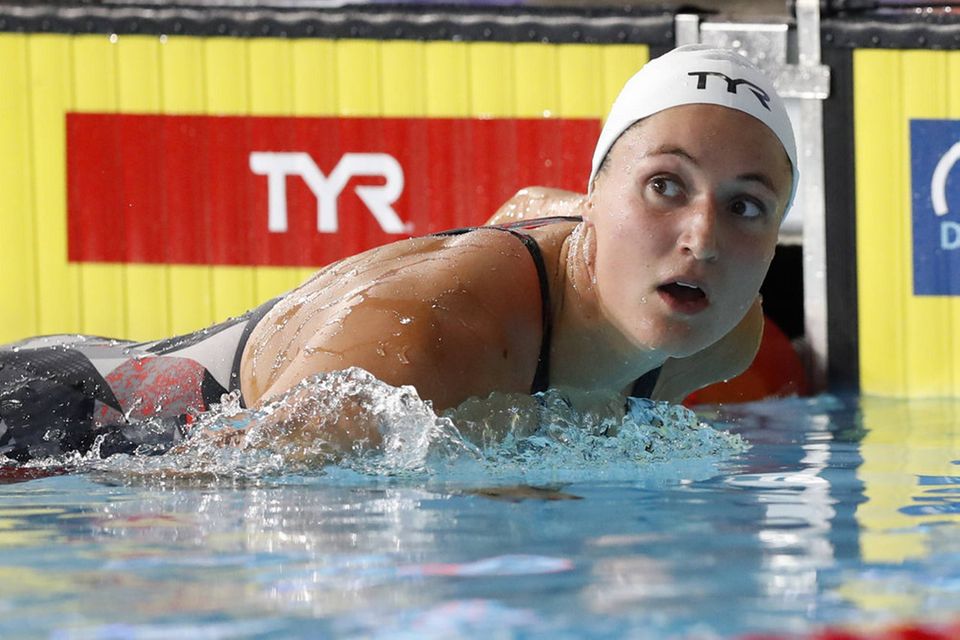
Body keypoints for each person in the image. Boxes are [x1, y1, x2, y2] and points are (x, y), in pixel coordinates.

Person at [0, 45, 796, 462]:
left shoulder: (722, 330)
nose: (702, 239)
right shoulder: (423, 341)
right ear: (594, 196)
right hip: (63, 423)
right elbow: (222, 490)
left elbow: (526, 204)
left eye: (745, 206)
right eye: (664, 186)